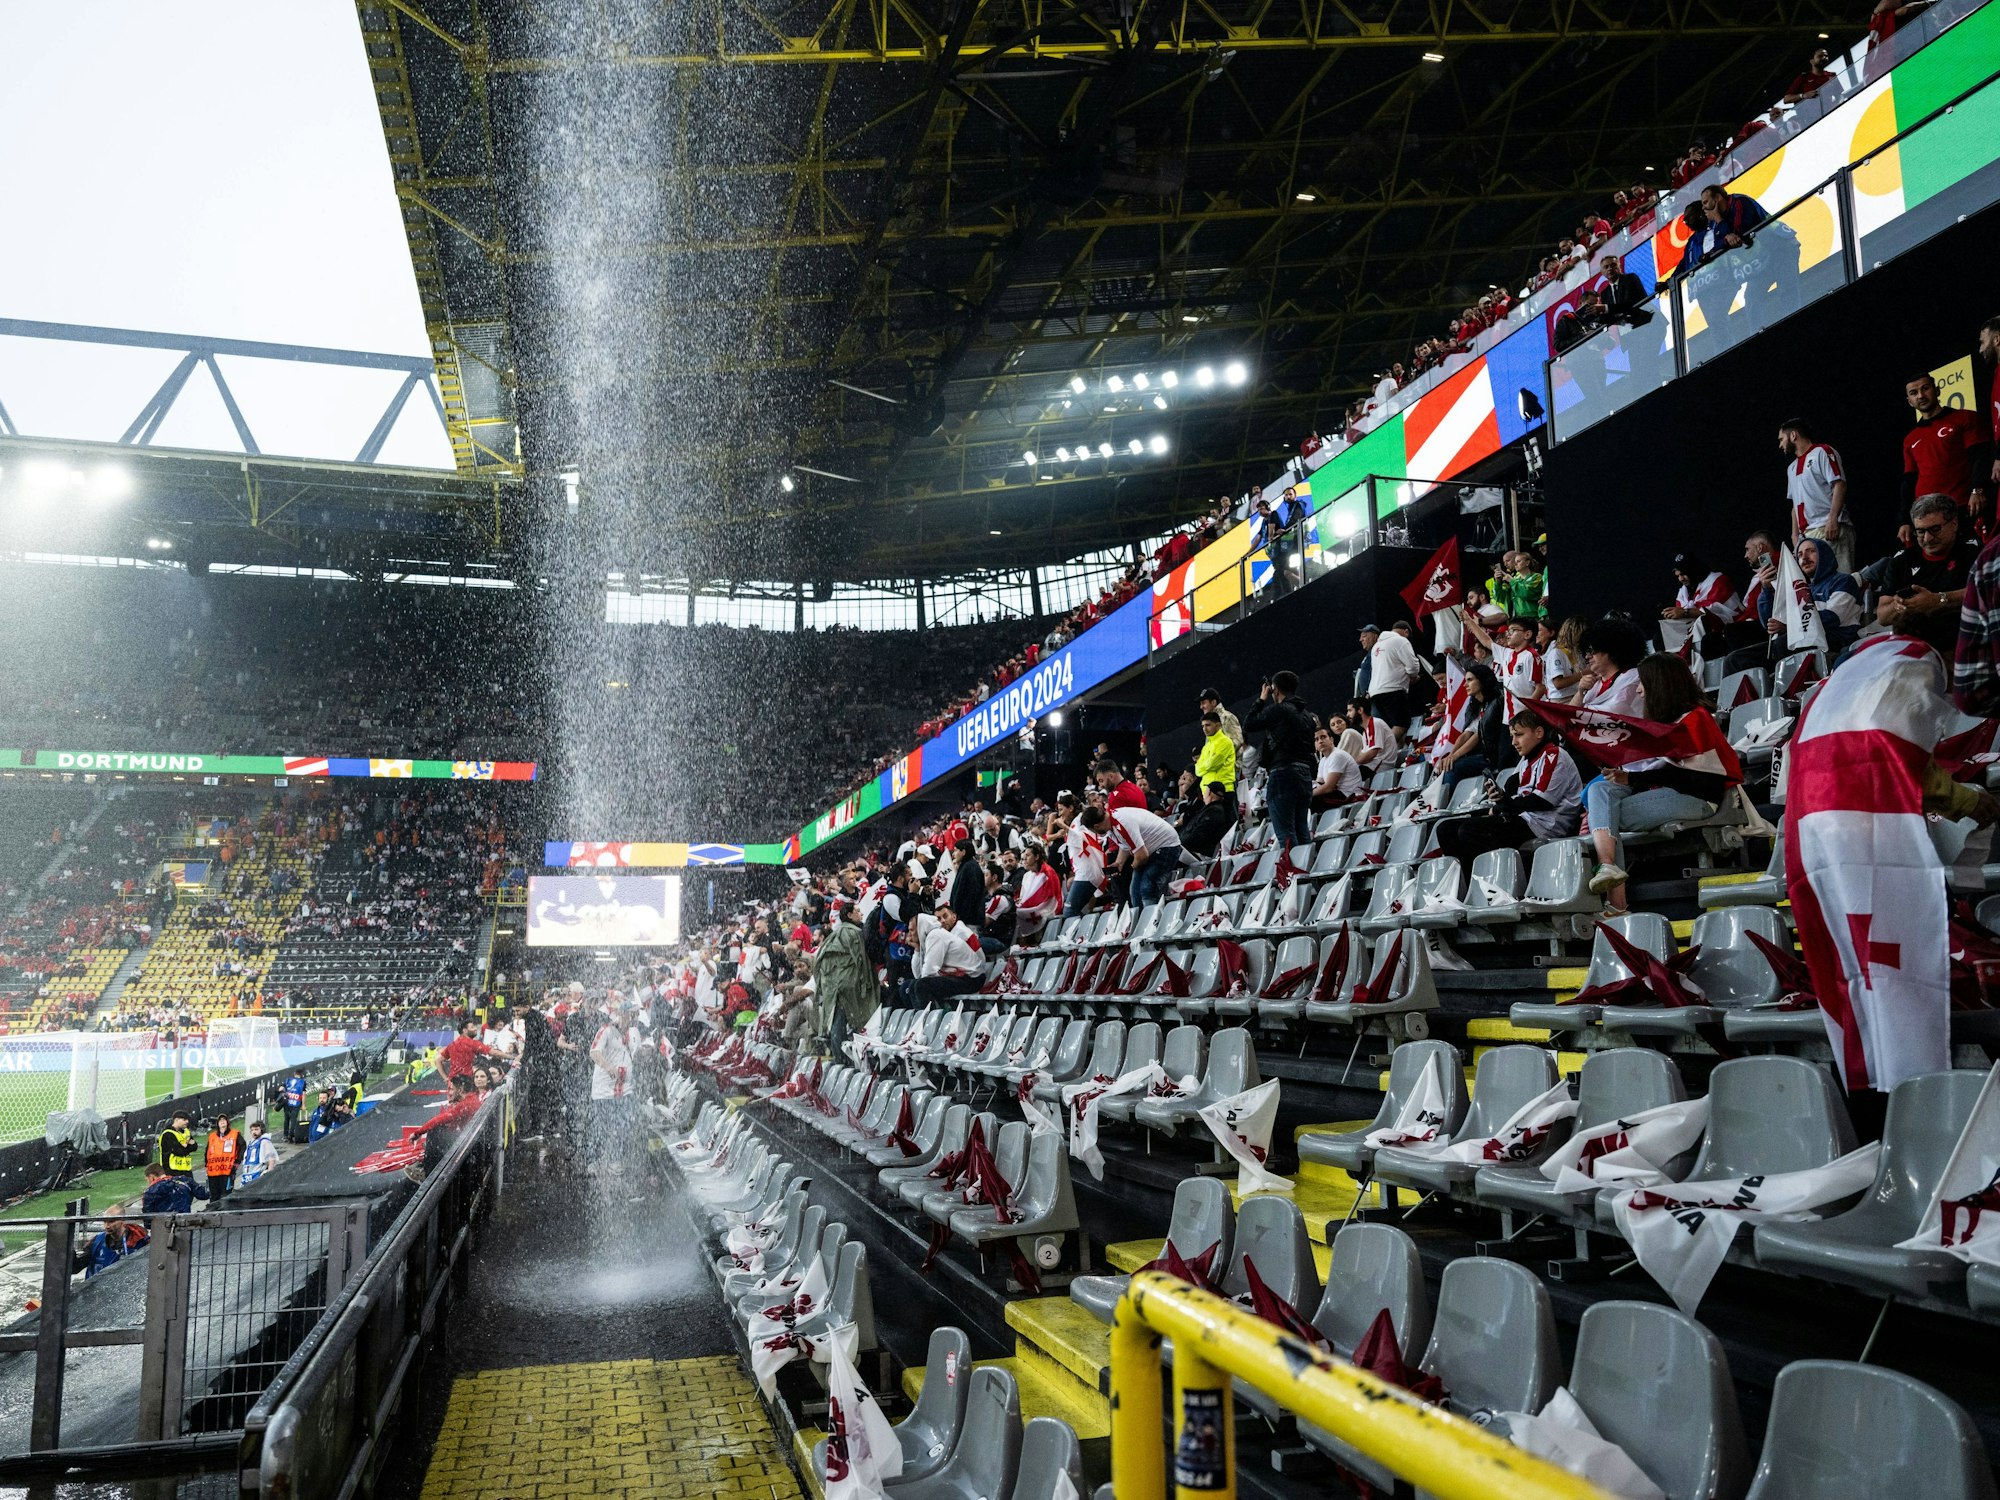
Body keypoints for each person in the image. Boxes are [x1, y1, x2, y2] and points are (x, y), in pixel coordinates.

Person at [1585, 655, 1742, 914]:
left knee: (1606, 815)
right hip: (1674, 793)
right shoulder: (1671, 722)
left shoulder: (1696, 719)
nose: (1638, 690)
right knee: (1599, 789)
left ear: (1659, 684)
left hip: (1699, 798)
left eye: (1643, 684)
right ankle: (1608, 867)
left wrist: (1633, 779)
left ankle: (1617, 900)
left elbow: (1698, 778)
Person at [1436, 711, 1583, 861]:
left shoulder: (1553, 755)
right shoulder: (1526, 760)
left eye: (1519, 735)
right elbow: (1515, 795)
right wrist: (1500, 799)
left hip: (1545, 825)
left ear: (1539, 732)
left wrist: (1505, 804)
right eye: (1512, 736)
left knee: (1470, 831)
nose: (1513, 742)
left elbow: (1542, 801)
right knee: (1445, 829)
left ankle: (1501, 876)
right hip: (1526, 819)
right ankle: (1469, 880)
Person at [1878, 495, 1979, 655]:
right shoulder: (1902, 560)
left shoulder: (1974, 553)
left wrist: (1938, 600)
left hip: (1963, 641)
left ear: (1954, 524)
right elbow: (1882, 616)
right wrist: (1901, 606)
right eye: (1920, 531)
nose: (1927, 538)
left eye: (1934, 529)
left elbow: (1986, 592)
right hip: (1911, 647)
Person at [1901, 371, 1992, 531]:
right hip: (1926, 517)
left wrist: (1978, 490)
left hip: (1964, 507)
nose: (1921, 395)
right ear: (1909, 401)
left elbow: (1980, 457)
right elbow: (1909, 481)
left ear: (1937, 390)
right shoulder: (1910, 438)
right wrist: (1904, 521)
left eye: (1925, 388)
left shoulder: (1965, 418)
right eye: (1914, 393)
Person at [1245, 670, 1318, 850]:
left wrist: (1262, 699)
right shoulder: (1307, 715)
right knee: (1301, 830)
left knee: (1285, 833)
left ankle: (1294, 874)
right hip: (1304, 775)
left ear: (1275, 690)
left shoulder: (1280, 709)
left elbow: (1249, 724)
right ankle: (1303, 870)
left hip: (1283, 774)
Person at [1760, 537, 1862, 653]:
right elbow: (1769, 620)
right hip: (1802, 636)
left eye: (1811, 551)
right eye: (1800, 554)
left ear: (1824, 554)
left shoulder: (1843, 581)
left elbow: (1832, 617)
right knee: (1739, 657)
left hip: (1838, 637)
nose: (1804, 558)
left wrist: (1790, 627)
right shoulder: (1801, 588)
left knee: (1781, 644)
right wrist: (1766, 590)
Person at [1778, 417, 1853, 572]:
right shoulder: (1791, 468)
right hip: (1807, 536)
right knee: (1818, 588)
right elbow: (1795, 504)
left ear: (1793, 436)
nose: (1780, 445)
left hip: (1829, 529)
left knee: (1841, 579)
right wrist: (1795, 536)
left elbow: (1839, 484)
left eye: (1781, 439)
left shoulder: (1822, 452)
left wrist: (1832, 519)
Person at [1088, 800, 1186, 908]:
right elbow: (1125, 846)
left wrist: (1131, 866)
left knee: (1147, 888)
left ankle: (1153, 920)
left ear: (1096, 826)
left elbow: (1142, 856)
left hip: (1167, 846)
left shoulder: (1121, 823)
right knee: (1134, 891)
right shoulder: (1111, 824)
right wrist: (1119, 863)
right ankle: (1139, 920)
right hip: (1154, 849)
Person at [811, 905, 876, 1054]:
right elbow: (862, 961)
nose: (861, 914)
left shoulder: (833, 935)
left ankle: (840, 1061)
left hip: (831, 985)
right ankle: (855, 1062)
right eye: (858, 911)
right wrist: (867, 984)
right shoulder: (856, 933)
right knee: (859, 1022)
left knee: (837, 1023)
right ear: (849, 915)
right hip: (850, 983)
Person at [1361, 622, 1424, 743]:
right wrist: (1413, 676)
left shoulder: (1376, 646)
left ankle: (1394, 757)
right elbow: (1412, 665)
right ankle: (1383, 754)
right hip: (1392, 690)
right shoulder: (1401, 641)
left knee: (1391, 728)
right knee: (1402, 724)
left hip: (1375, 693)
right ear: (1406, 632)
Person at [914, 905, 986, 1005]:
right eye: (938, 918)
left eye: (945, 916)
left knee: (923, 986)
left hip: (972, 977)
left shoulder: (963, 933)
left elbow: (980, 960)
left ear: (954, 917)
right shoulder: (939, 935)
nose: (942, 921)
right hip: (957, 975)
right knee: (913, 985)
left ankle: (932, 1016)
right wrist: (917, 949)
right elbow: (922, 972)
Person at [1061, 799, 1106, 917]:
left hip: (1086, 874)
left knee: (1069, 911)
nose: (1060, 814)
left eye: (1061, 809)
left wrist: (1063, 826)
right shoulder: (1078, 823)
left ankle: (1082, 935)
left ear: (1070, 808)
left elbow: (1077, 837)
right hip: (1087, 872)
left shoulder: (1079, 823)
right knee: (1079, 910)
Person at [74, 1210, 148, 1279]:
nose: (107, 1226)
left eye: (111, 1222)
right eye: (105, 1222)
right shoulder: (96, 1242)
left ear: (123, 1221)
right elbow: (75, 1268)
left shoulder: (141, 1241)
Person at [1310, 724, 1365, 812]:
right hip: (1338, 794)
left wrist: (1307, 794)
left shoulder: (1337, 755)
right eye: (1316, 739)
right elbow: (1319, 783)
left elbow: (1328, 787)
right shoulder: (1323, 760)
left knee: (1310, 801)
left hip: (1349, 796)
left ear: (1331, 740)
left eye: (1323, 737)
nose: (1320, 741)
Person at [1193, 710, 1238, 815]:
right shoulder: (1206, 746)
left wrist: (1203, 766)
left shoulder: (1225, 742)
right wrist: (1204, 766)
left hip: (1223, 792)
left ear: (1218, 725)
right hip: (1208, 794)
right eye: (1203, 726)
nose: (1204, 729)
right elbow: (1197, 770)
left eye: (1208, 725)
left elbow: (1211, 765)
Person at [140, 1162, 208, 1216]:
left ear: (151, 1177)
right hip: (184, 1224)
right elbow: (204, 1194)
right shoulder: (185, 1181)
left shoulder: (150, 1192)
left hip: (162, 1227)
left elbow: (147, 1216)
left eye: (147, 1180)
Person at [202, 1114, 243, 1202]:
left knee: (226, 1195)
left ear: (227, 1122)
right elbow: (207, 1151)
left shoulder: (235, 1134)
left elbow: (242, 1147)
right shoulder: (212, 1136)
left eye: (224, 1119)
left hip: (227, 1170)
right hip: (213, 1171)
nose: (222, 1121)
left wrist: (237, 1163)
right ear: (217, 1123)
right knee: (214, 1196)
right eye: (220, 1120)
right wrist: (206, 1164)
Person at [1196, 688, 1245, 755]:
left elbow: (1237, 742)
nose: (1201, 707)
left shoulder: (1227, 717)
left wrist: (1217, 757)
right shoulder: (1209, 722)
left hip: (1231, 765)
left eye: (1203, 703)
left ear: (1213, 702)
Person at [158, 1110, 196, 1182]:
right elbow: (179, 1151)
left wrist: (185, 1146)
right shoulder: (167, 1134)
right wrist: (188, 1145)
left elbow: (195, 1146)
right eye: (184, 1119)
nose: (187, 1121)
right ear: (176, 1120)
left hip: (186, 1169)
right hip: (172, 1171)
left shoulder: (186, 1132)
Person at [238, 1119, 279, 1186]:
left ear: (261, 1130)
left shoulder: (264, 1141)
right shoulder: (250, 1143)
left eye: (256, 1129)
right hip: (247, 1176)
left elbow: (271, 1157)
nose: (254, 1132)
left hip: (257, 1174)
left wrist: (269, 1172)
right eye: (252, 1130)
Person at [279, 1069, 307, 1145]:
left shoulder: (287, 1080)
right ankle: (291, 1136)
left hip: (287, 1103)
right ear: (301, 1075)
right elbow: (303, 1094)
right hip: (296, 1103)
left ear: (294, 1074)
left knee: (286, 1119)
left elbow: (281, 1089)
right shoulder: (302, 1082)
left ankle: (285, 1135)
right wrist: (304, 1105)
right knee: (293, 1120)